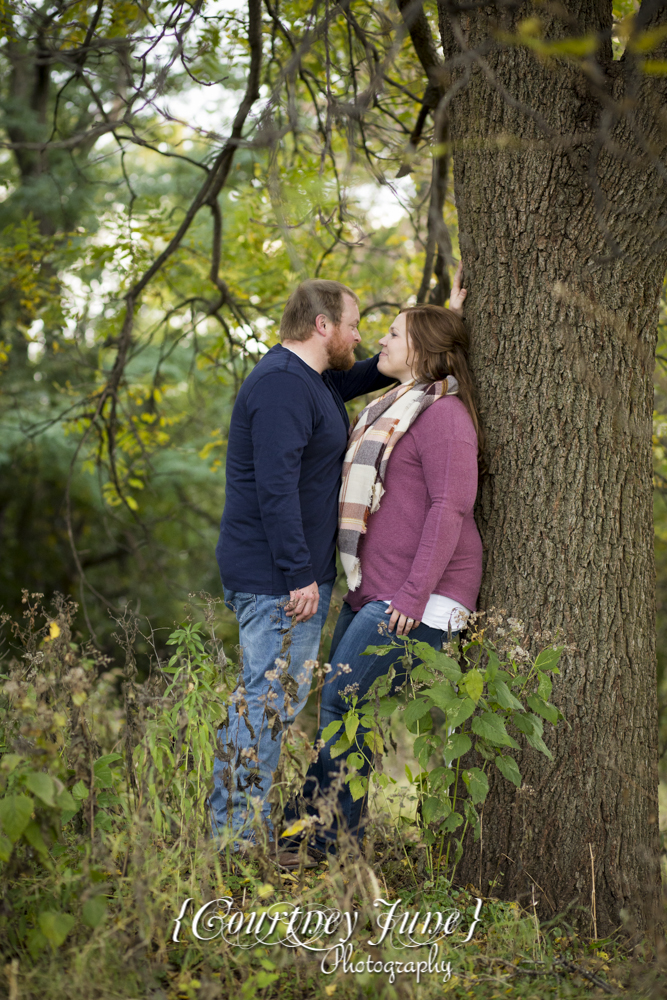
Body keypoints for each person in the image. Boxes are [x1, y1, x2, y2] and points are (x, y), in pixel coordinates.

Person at [296, 274, 484, 853]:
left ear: (421, 351)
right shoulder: (394, 406)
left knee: (340, 701)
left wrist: (410, 594)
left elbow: (449, 508)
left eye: (396, 333)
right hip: (380, 588)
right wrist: (448, 312)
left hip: (423, 595)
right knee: (340, 703)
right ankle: (317, 836)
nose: (383, 339)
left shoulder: (445, 416)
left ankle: (327, 842)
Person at [209, 279, 394, 851]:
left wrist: (446, 319)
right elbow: (275, 489)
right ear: (323, 326)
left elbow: (367, 374)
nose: (359, 337)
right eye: (354, 325)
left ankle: (241, 834)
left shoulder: (311, 380)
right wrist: (298, 575)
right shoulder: (283, 388)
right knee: (265, 709)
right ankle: (234, 842)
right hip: (276, 582)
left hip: (289, 578)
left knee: (274, 706)